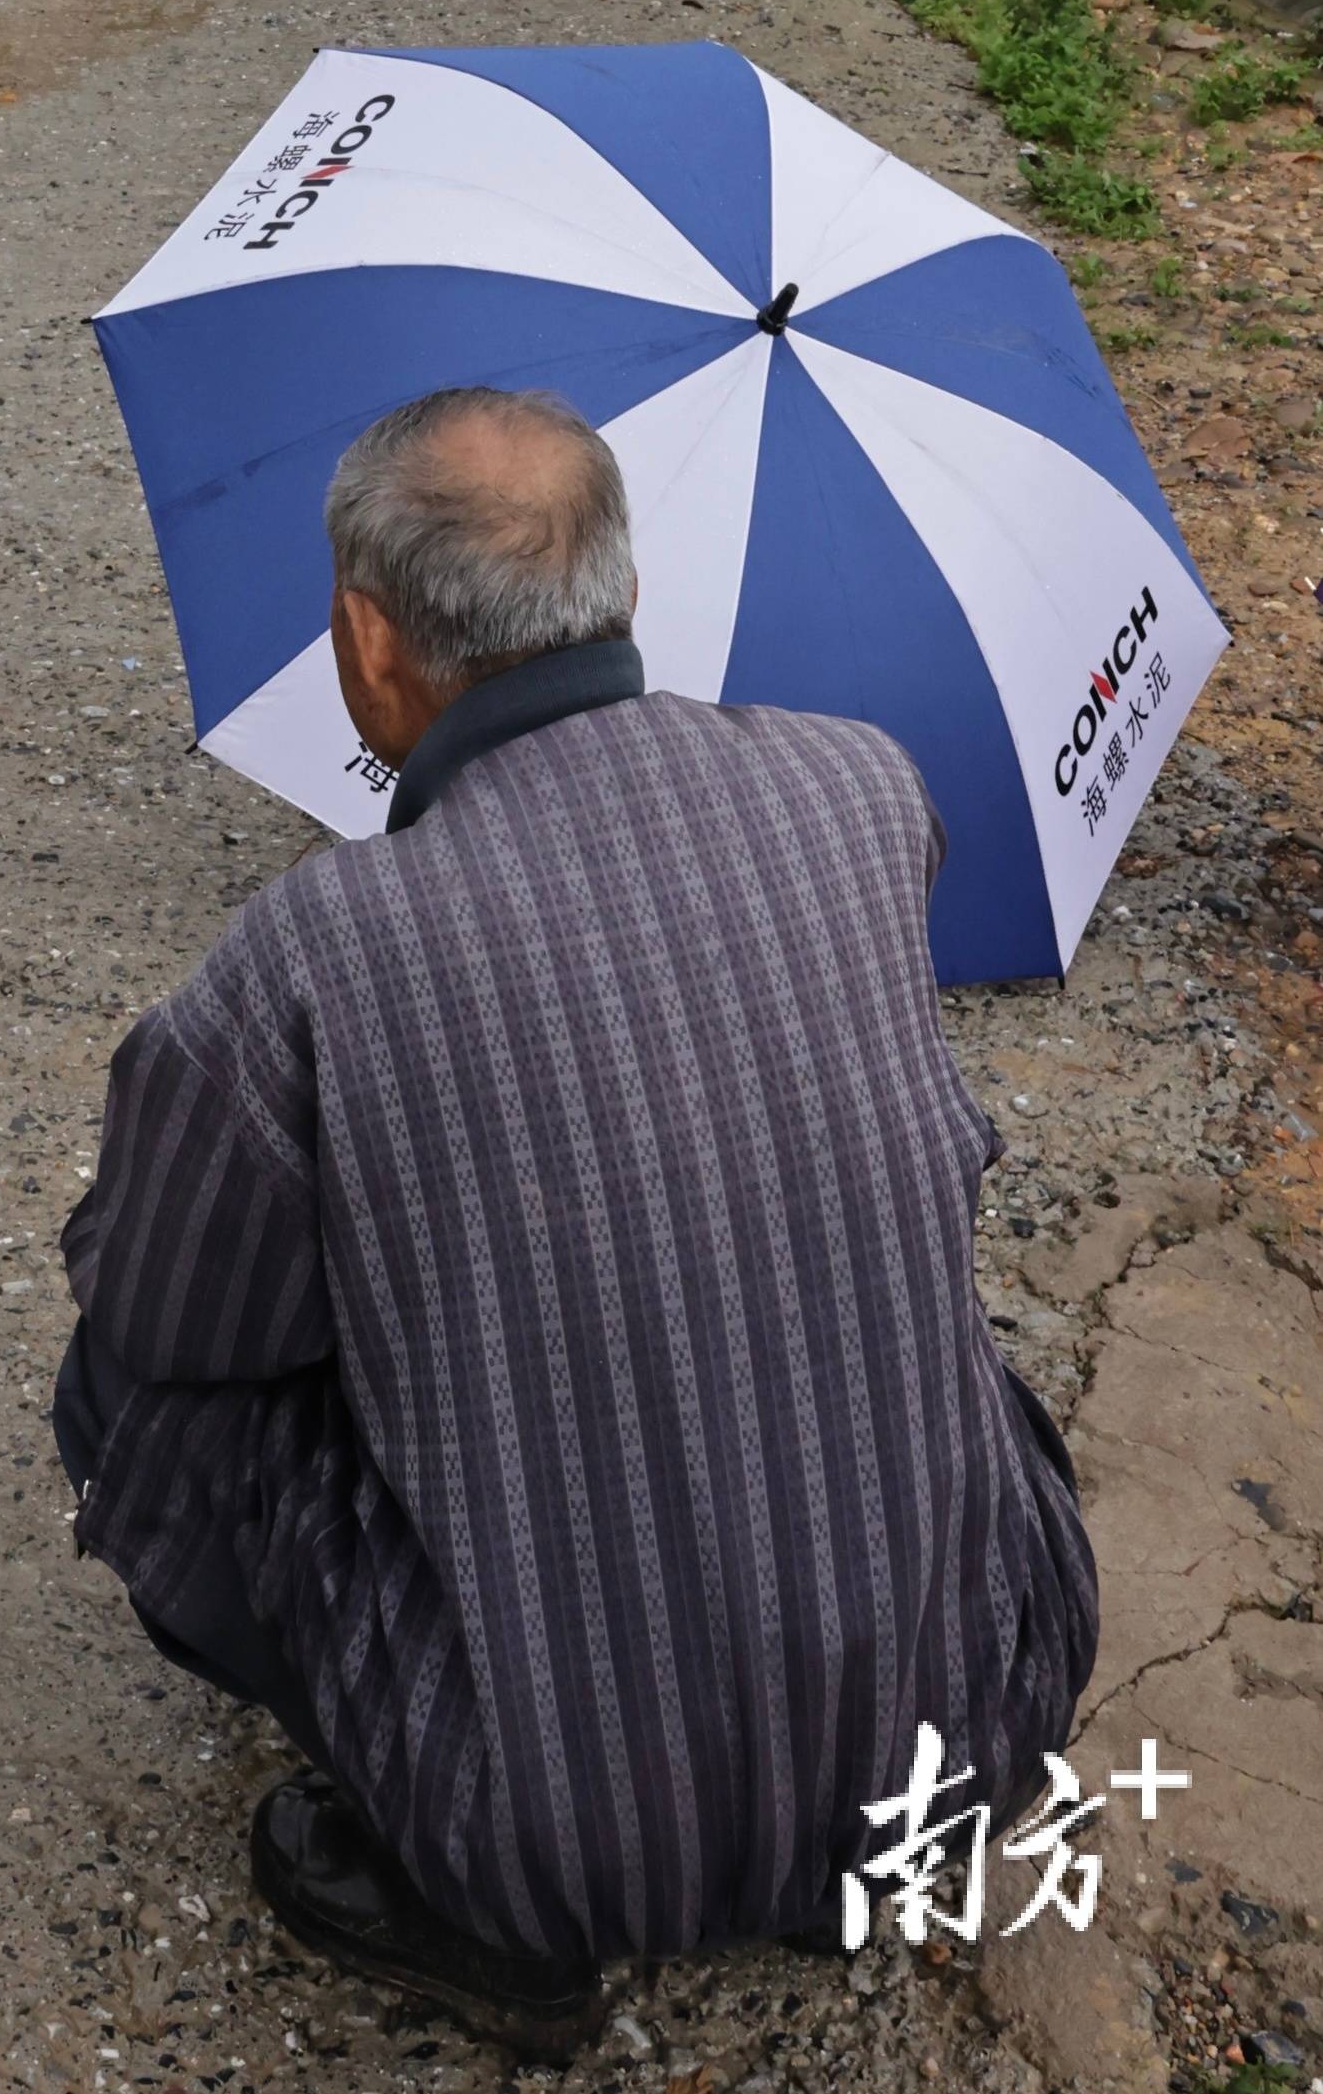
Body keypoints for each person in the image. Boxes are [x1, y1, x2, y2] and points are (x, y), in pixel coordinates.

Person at [56, 385, 1096, 2054]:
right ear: (617, 593)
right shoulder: (857, 785)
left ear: (365, 637)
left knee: (123, 1389)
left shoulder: (309, 955)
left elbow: (163, 1317)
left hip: (546, 1835)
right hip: (977, 1707)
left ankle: (465, 1894)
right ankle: (825, 1824)